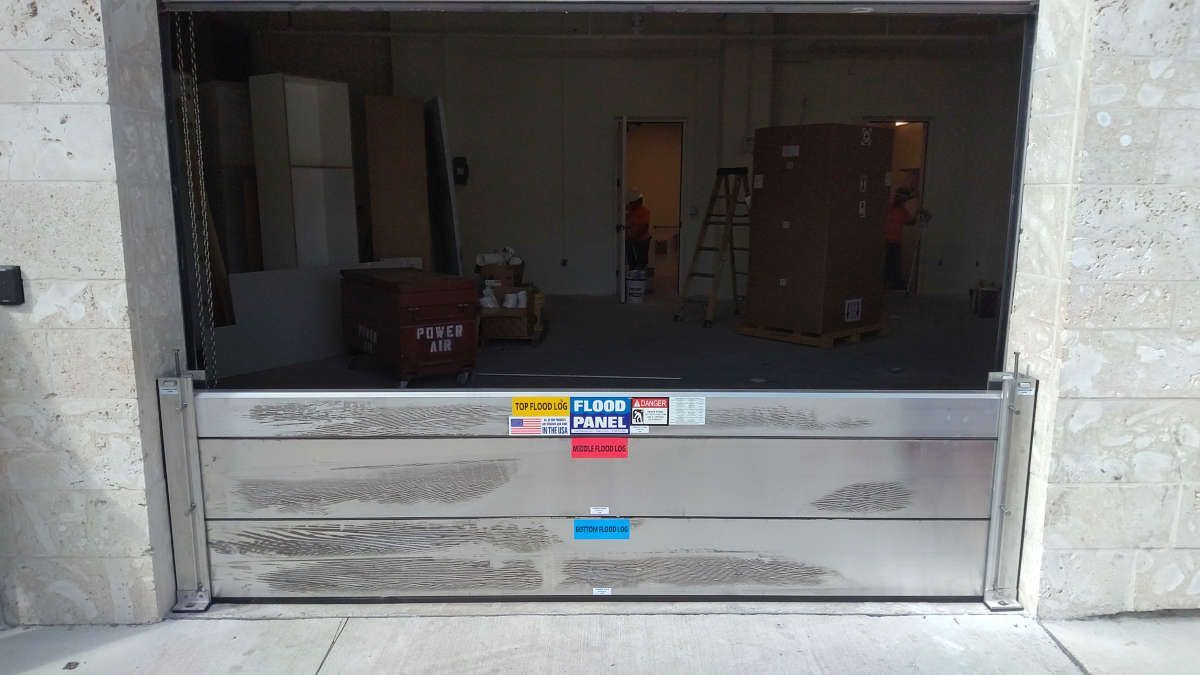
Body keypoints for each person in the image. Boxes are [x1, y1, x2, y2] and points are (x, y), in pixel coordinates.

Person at [885, 188, 916, 290]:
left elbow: (910, 221)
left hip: (895, 241)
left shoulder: (902, 211)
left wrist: (917, 215)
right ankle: (889, 282)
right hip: (887, 241)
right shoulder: (889, 208)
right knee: (889, 263)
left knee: (894, 263)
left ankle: (894, 283)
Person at [625, 189, 652, 271]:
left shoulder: (644, 211)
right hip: (629, 240)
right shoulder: (628, 210)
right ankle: (633, 278)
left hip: (642, 240)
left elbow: (644, 227)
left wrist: (634, 237)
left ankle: (639, 280)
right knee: (631, 262)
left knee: (641, 262)